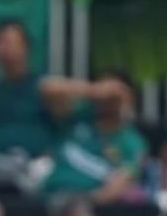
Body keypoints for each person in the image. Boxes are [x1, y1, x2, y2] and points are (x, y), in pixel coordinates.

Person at [39, 72, 148, 200]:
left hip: (86, 206)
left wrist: (83, 204)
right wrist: (92, 90)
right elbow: (47, 87)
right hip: (49, 196)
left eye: (114, 96)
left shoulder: (132, 141)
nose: (107, 99)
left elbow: (120, 183)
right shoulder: (76, 118)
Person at [0, 19, 56, 161]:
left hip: (38, 168)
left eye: (9, 42)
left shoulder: (46, 90)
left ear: (26, 47)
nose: (3, 48)